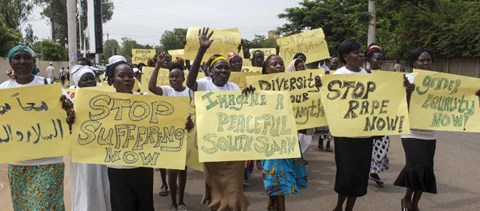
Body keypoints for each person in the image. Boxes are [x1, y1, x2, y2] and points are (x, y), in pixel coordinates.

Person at [1, 44, 74, 211]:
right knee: (24, 207)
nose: (22, 61)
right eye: (17, 58)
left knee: (45, 207)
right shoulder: (4, 90)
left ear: (34, 62)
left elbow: (71, 115)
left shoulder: (48, 86)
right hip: (18, 164)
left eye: (27, 57)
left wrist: (68, 109)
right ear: (10, 63)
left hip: (48, 162)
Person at [186, 27, 249, 211]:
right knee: (218, 189)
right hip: (212, 145)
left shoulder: (234, 88)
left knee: (235, 190)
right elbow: (189, 83)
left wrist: (249, 96)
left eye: (226, 68)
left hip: (233, 146)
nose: (223, 71)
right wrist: (201, 50)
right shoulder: (204, 85)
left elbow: (243, 111)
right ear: (210, 70)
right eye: (219, 68)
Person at [104, 55, 154, 211]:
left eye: (130, 76)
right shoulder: (103, 104)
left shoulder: (146, 101)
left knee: (145, 206)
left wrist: (183, 122)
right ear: (112, 80)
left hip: (143, 166)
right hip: (118, 168)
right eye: (121, 76)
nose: (127, 79)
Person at [259, 54, 308, 211]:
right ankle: (275, 203)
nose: (279, 66)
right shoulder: (258, 89)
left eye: (281, 63)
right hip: (269, 139)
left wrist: (316, 85)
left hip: (287, 137)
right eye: (274, 64)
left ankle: (272, 202)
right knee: (277, 175)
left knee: (279, 175)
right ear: (266, 69)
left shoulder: (295, 87)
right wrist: (249, 92)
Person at [331, 39, 374, 211]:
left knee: (359, 175)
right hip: (344, 136)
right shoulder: (337, 77)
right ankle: (339, 206)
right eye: (357, 52)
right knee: (346, 174)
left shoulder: (369, 75)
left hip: (364, 136)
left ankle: (349, 208)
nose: (361, 55)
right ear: (346, 56)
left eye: (362, 52)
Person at [149, 53, 192, 211]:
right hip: (168, 138)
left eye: (177, 77)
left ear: (183, 77)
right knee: (171, 172)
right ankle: (173, 203)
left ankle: (181, 201)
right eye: (171, 77)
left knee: (183, 171)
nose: (174, 80)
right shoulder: (166, 91)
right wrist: (158, 65)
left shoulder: (189, 92)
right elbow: (151, 87)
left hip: (185, 137)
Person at [69, 65, 111, 211]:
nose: (89, 82)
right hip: (82, 149)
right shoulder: (70, 99)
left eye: (91, 79)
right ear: (77, 83)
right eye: (84, 80)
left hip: (101, 147)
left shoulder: (104, 97)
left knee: (103, 182)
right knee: (86, 182)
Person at [366, 44, 389, 188]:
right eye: (377, 59)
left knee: (381, 146)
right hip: (365, 118)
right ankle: (368, 172)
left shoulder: (388, 77)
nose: (379, 63)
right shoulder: (362, 74)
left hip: (381, 118)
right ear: (369, 59)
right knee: (366, 147)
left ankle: (373, 171)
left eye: (381, 60)